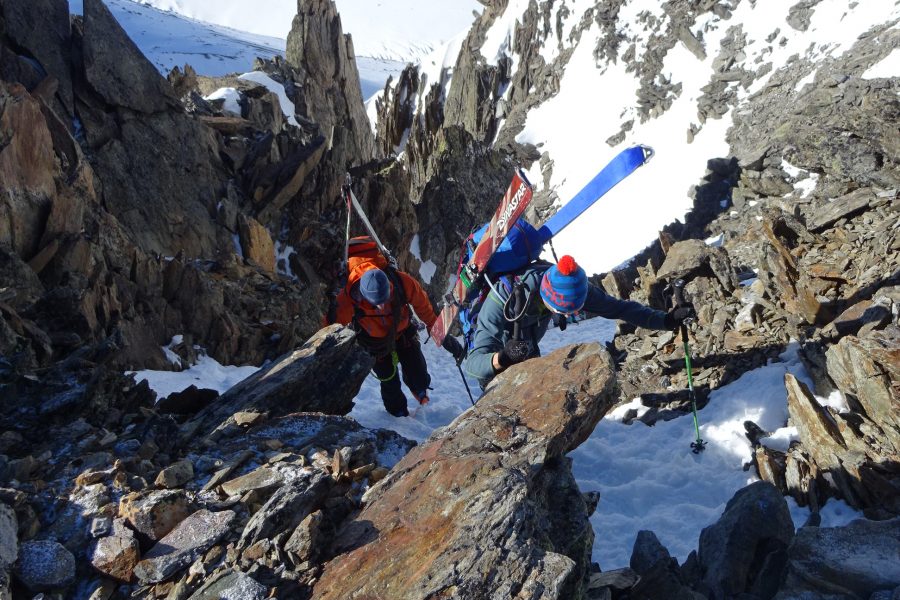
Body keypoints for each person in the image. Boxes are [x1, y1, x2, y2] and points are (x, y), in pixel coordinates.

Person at [457, 255, 695, 389]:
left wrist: (665, 320)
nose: (570, 315)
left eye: (573, 311)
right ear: (548, 298)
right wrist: (503, 358)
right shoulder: (502, 299)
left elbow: (620, 308)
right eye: (563, 311)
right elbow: (474, 364)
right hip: (496, 363)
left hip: (527, 349)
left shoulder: (575, 287)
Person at [332, 263, 461, 416]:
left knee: (417, 370)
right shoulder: (348, 300)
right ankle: (398, 414)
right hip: (375, 344)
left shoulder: (402, 282)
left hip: (403, 332)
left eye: (384, 299)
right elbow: (331, 328)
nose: (381, 306)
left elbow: (424, 308)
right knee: (389, 380)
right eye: (376, 303)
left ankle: (420, 392)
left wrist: (442, 335)